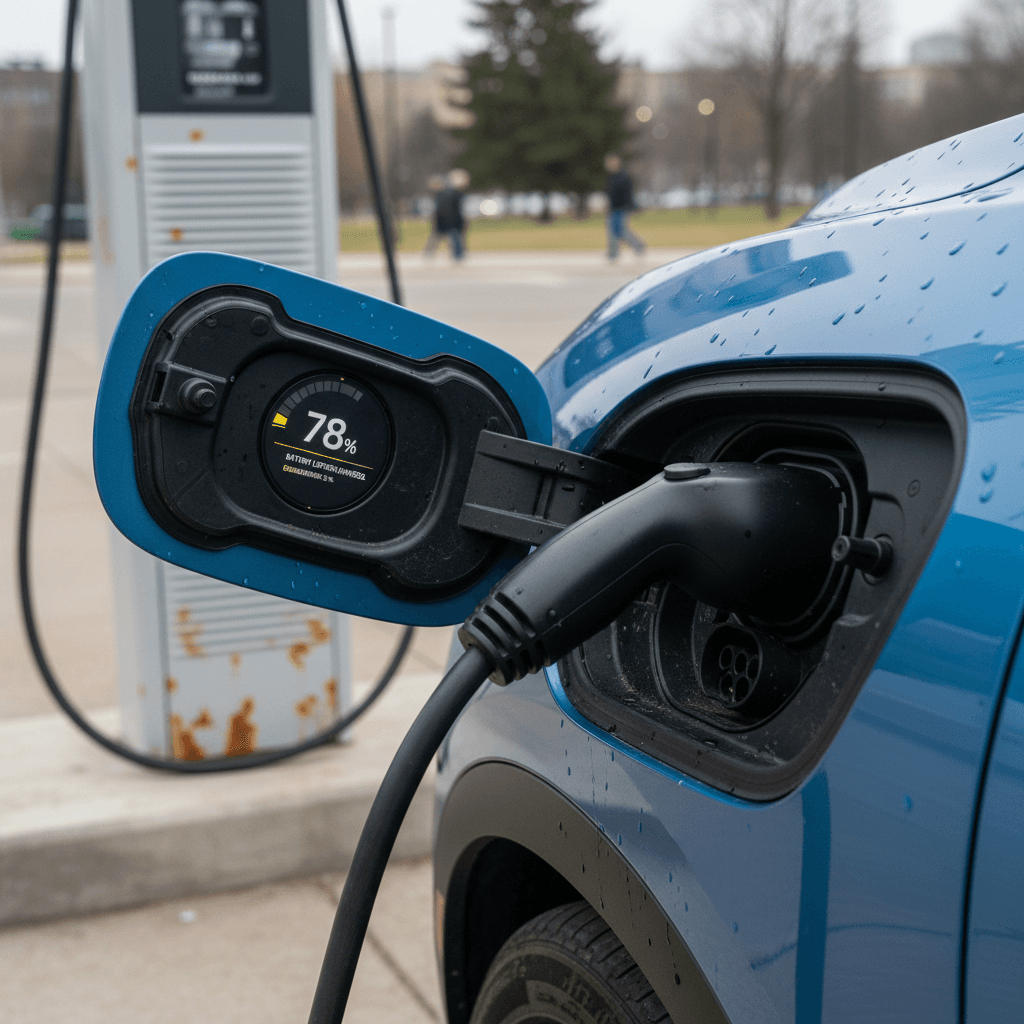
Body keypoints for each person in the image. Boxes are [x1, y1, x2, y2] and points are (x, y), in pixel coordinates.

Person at [603, 154, 645, 260]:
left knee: (621, 231)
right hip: (613, 208)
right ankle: (613, 252)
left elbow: (628, 194)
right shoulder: (610, 178)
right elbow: (609, 194)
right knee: (612, 230)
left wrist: (631, 206)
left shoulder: (624, 177)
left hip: (622, 208)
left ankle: (638, 246)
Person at [434, 168, 469, 260]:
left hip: (448, 221)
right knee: (455, 238)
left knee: (453, 238)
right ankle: (458, 255)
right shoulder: (452, 194)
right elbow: (450, 210)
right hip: (451, 221)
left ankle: (458, 254)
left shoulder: (448, 194)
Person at [422, 174, 447, 256]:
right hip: (439, 221)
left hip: (444, 220)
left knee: (452, 238)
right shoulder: (436, 196)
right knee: (435, 238)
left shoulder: (442, 195)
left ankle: (458, 254)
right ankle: (429, 252)